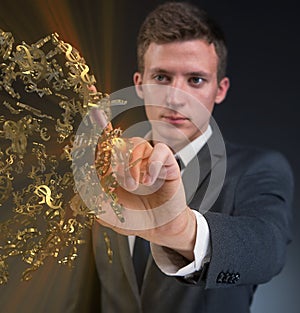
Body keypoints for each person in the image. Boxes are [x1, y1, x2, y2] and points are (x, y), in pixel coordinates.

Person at [91, 2, 294, 313]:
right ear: (139, 85)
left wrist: (181, 229)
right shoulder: (106, 168)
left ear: (220, 89)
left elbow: (268, 248)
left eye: (195, 80)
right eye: (161, 77)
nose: (176, 97)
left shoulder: (259, 169)